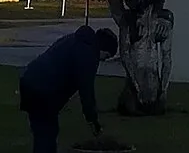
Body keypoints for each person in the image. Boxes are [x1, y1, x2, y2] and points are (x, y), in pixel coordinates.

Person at [19, 19, 119, 152]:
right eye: (105, 57)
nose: (102, 60)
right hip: (43, 89)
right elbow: (86, 90)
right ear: (103, 49)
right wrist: (93, 120)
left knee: (42, 130)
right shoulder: (88, 54)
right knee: (47, 132)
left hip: (30, 81)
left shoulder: (74, 39)